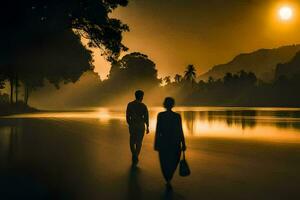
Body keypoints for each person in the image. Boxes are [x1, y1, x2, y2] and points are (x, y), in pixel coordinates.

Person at [154, 97, 186, 189]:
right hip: (175, 142)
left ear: (164, 104)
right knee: (174, 161)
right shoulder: (177, 116)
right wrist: (183, 143)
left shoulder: (161, 115)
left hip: (163, 142)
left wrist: (156, 144)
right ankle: (169, 177)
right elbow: (180, 131)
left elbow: (158, 131)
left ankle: (167, 178)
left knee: (164, 162)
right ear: (173, 105)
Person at [126, 90, 149, 166]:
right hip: (140, 125)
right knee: (139, 142)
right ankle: (136, 155)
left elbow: (127, 116)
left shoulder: (130, 104)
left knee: (132, 141)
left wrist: (130, 123)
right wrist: (147, 126)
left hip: (132, 124)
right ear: (141, 97)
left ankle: (134, 154)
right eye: (142, 96)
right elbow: (146, 117)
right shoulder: (143, 106)